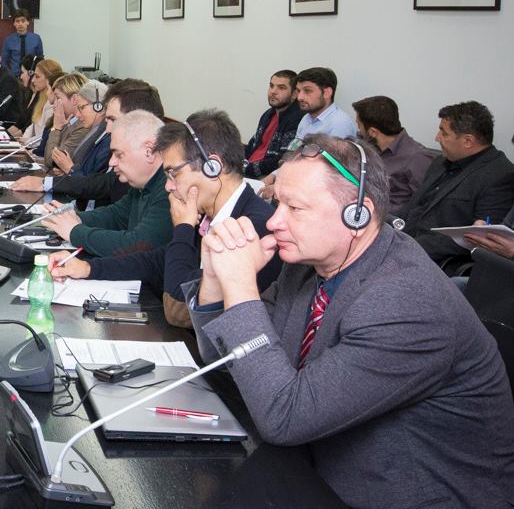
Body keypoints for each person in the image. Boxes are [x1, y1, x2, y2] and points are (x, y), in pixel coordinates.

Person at [188, 134, 514, 508]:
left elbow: (284, 418)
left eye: (295, 208)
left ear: (357, 215)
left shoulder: (407, 302)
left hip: (411, 496)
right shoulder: (309, 264)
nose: (274, 221)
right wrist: (215, 279)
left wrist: (241, 285)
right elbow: (231, 363)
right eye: (277, 203)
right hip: (317, 463)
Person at [50, 110, 278, 327]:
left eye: (173, 173)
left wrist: (183, 228)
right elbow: (155, 261)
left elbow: (178, 304)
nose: (168, 186)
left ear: (212, 167)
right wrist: (87, 268)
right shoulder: (210, 213)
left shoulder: (253, 228)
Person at [395, 101, 514, 273]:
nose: (437, 138)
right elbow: (414, 205)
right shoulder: (441, 162)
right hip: (401, 242)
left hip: (433, 262)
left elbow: (480, 240)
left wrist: (408, 247)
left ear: (467, 141)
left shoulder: (500, 176)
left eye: (444, 133)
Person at [42, 110, 173, 257]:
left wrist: (75, 232)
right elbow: (117, 215)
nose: (112, 162)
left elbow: (137, 245)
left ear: (149, 151)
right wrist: (76, 218)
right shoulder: (142, 183)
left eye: (119, 154)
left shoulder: (170, 190)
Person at [12, 80, 164, 205]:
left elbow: (99, 187)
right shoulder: (98, 134)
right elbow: (108, 199)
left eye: (113, 119)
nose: (108, 127)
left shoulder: (164, 189)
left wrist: (69, 171)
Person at [352, 95, 434, 209]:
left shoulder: (417, 158)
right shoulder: (368, 146)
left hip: (389, 216)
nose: (359, 130)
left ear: (373, 132)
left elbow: (423, 205)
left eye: (359, 125)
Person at [242, 70, 302, 179]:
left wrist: (245, 168)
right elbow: (252, 145)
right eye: (271, 86)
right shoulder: (268, 114)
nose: (273, 92)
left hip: (266, 177)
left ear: (294, 94)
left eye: (281, 88)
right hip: (247, 171)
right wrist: (237, 162)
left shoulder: (297, 119)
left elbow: (281, 160)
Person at [292, 66, 355, 140]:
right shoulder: (306, 118)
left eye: (307, 91)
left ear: (327, 93)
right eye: (298, 91)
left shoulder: (340, 124)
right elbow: (296, 146)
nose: (299, 97)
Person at [12, 58, 63, 141]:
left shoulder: (53, 103)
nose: (32, 80)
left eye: (37, 77)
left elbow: (44, 136)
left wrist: (26, 141)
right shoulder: (40, 98)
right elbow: (32, 125)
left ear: (49, 79)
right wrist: (22, 140)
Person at [1, 8, 43, 78]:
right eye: (17, 21)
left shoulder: (36, 38)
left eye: (23, 21)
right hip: (14, 77)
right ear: (14, 23)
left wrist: (37, 74)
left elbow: (40, 58)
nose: (20, 24)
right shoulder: (8, 40)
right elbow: (3, 60)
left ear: (28, 22)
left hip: (31, 76)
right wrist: (9, 74)